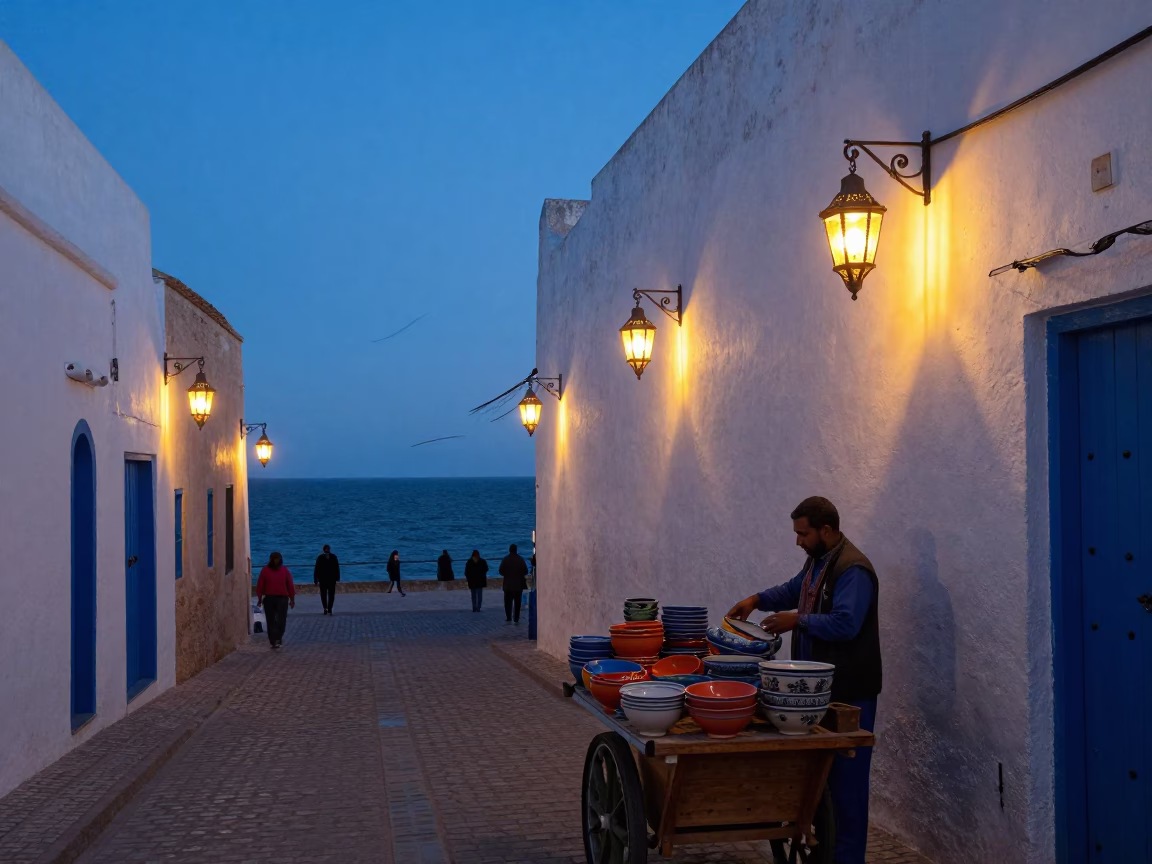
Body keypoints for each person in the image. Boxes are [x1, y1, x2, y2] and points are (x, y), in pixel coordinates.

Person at [727, 497, 881, 864]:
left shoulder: (853, 569)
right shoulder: (819, 560)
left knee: (847, 787)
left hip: (850, 694)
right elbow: (795, 588)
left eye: (803, 533)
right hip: (819, 692)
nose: (798, 541)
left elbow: (846, 623)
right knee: (821, 784)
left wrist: (797, 620)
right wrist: (757, 600)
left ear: (826, 530)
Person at [256, 551, 295, 649]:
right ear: (271, 560)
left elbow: (290, 585)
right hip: (269, 598)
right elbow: (260, 585)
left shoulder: (284, 570)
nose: (276, 561)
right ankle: (273, 640)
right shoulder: (265, 570)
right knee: (271, 621)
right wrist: (260, 599)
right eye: (274, 559)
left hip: (282, 599)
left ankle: (278, 637)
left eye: (278, 559)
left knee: (281, 621)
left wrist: (292, 599)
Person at [498, 543, 529, 625]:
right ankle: (516, 618)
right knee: (517, 603)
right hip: (518, 585)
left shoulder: (505, 559)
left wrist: (507, 574)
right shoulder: (521, 560)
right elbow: (526, 571)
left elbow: (500, 571)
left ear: (509, 550)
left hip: (508, 585)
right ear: (516, 550)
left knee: (508, 602)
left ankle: (508, 617)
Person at [313, 544, 340, 615]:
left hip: (326, 579)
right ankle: (327, 608)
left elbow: (316, 569)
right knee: (327, 595)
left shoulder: (321, 557)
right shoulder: (333, 557)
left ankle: (328, 608)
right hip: (327, 579)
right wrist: (337, 577)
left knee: (326, 595)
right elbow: (337, 568)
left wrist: (316, 579)